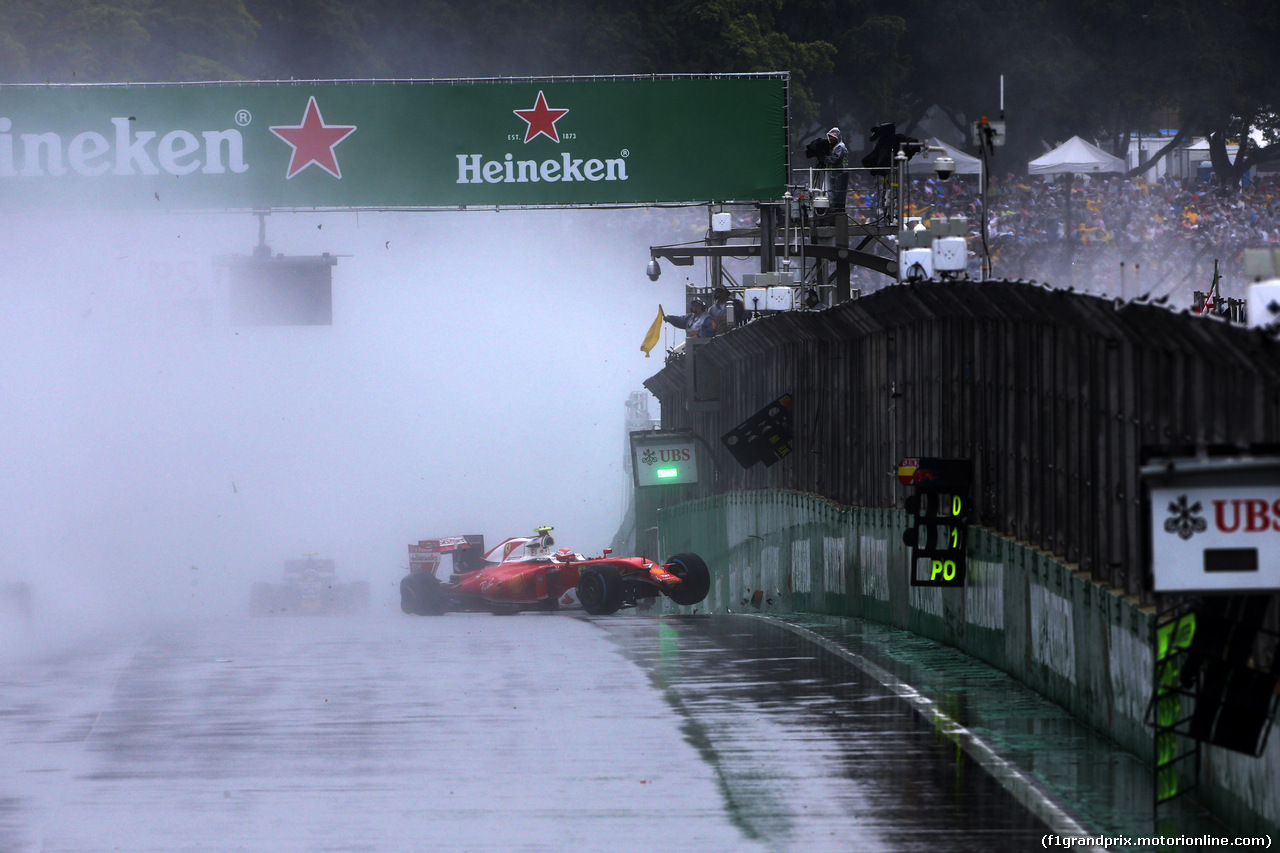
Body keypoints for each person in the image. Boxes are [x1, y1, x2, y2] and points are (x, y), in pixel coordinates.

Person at [823, 127, 849, 212]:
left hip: (841, 173)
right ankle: (835, 210)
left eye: (833, 137)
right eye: (830, 136)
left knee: (839, 195)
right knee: (834, 194)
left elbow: (835, 159)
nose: (831, 139)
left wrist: (823, 158)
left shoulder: (840, 147)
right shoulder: (835, 147)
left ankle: (838, 212)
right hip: (836, 173)